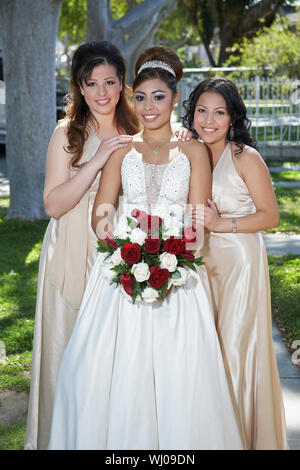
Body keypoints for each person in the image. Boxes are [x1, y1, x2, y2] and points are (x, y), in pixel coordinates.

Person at [47, 46, 243, 450]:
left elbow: (197, 221)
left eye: (159, 97)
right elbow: (101, 213)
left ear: (174, 99)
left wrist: (173, 255)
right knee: (101, 370)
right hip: (122, 273)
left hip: (179, 273)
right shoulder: (121, 149)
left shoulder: (193, 150)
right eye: (142, 97)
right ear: (132, 98)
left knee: (179, 376)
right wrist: (119, 240)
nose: (150, 106)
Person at [24, 41, 139, 450]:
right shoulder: (66, 132)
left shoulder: (139, 129)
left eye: (110, 81)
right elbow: (54, 204)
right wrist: (96, 161)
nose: (102, 92)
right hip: (72, 249)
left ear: (123, 81)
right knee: (67, 354)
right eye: (92, 84)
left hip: (124, 252)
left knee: (118, 359)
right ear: (79, 86)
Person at [182, 77, 288, 450]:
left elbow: (271, 216)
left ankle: (242, 439)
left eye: (219, 112)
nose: (209, 120)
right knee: (204, 350)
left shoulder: (245, 157)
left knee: (235, 351)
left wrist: (220, 223)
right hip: (197, 263)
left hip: (240, 263)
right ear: (191, 112)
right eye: (202, 110)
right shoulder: (185, 151)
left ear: (232, 118)